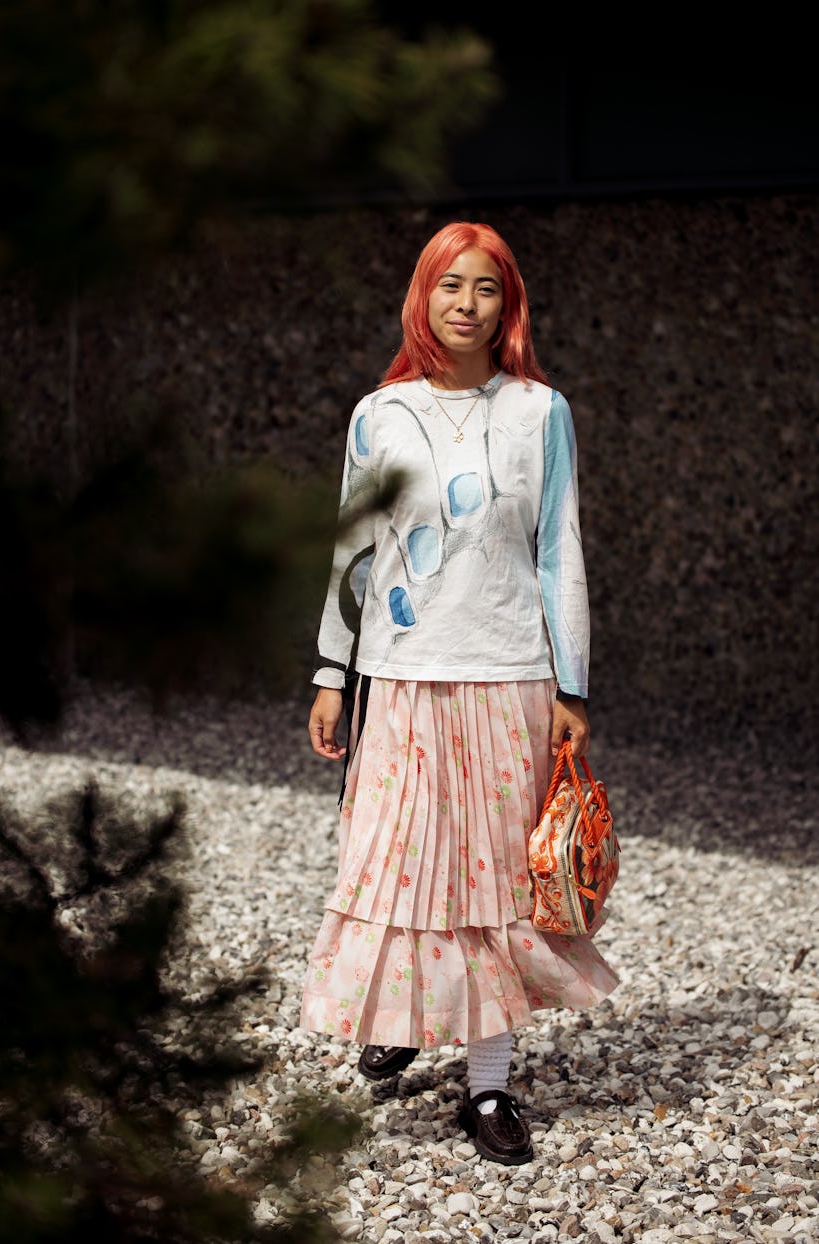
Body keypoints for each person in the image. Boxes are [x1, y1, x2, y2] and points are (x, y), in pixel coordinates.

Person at [300, 220, 618, 1165]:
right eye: (450, 286)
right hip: (398, 677)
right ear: (422, 298)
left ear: (507, 304)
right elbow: (352, 554)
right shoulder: (378, 415)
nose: (467, 304)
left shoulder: (540, 411)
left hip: (510, 676)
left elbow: (559, 548)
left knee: (493, 887)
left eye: (486, 288)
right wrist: (330, 671)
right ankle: (403, 1012)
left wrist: (572, 682)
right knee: (396, 866)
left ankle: (488, 1087)